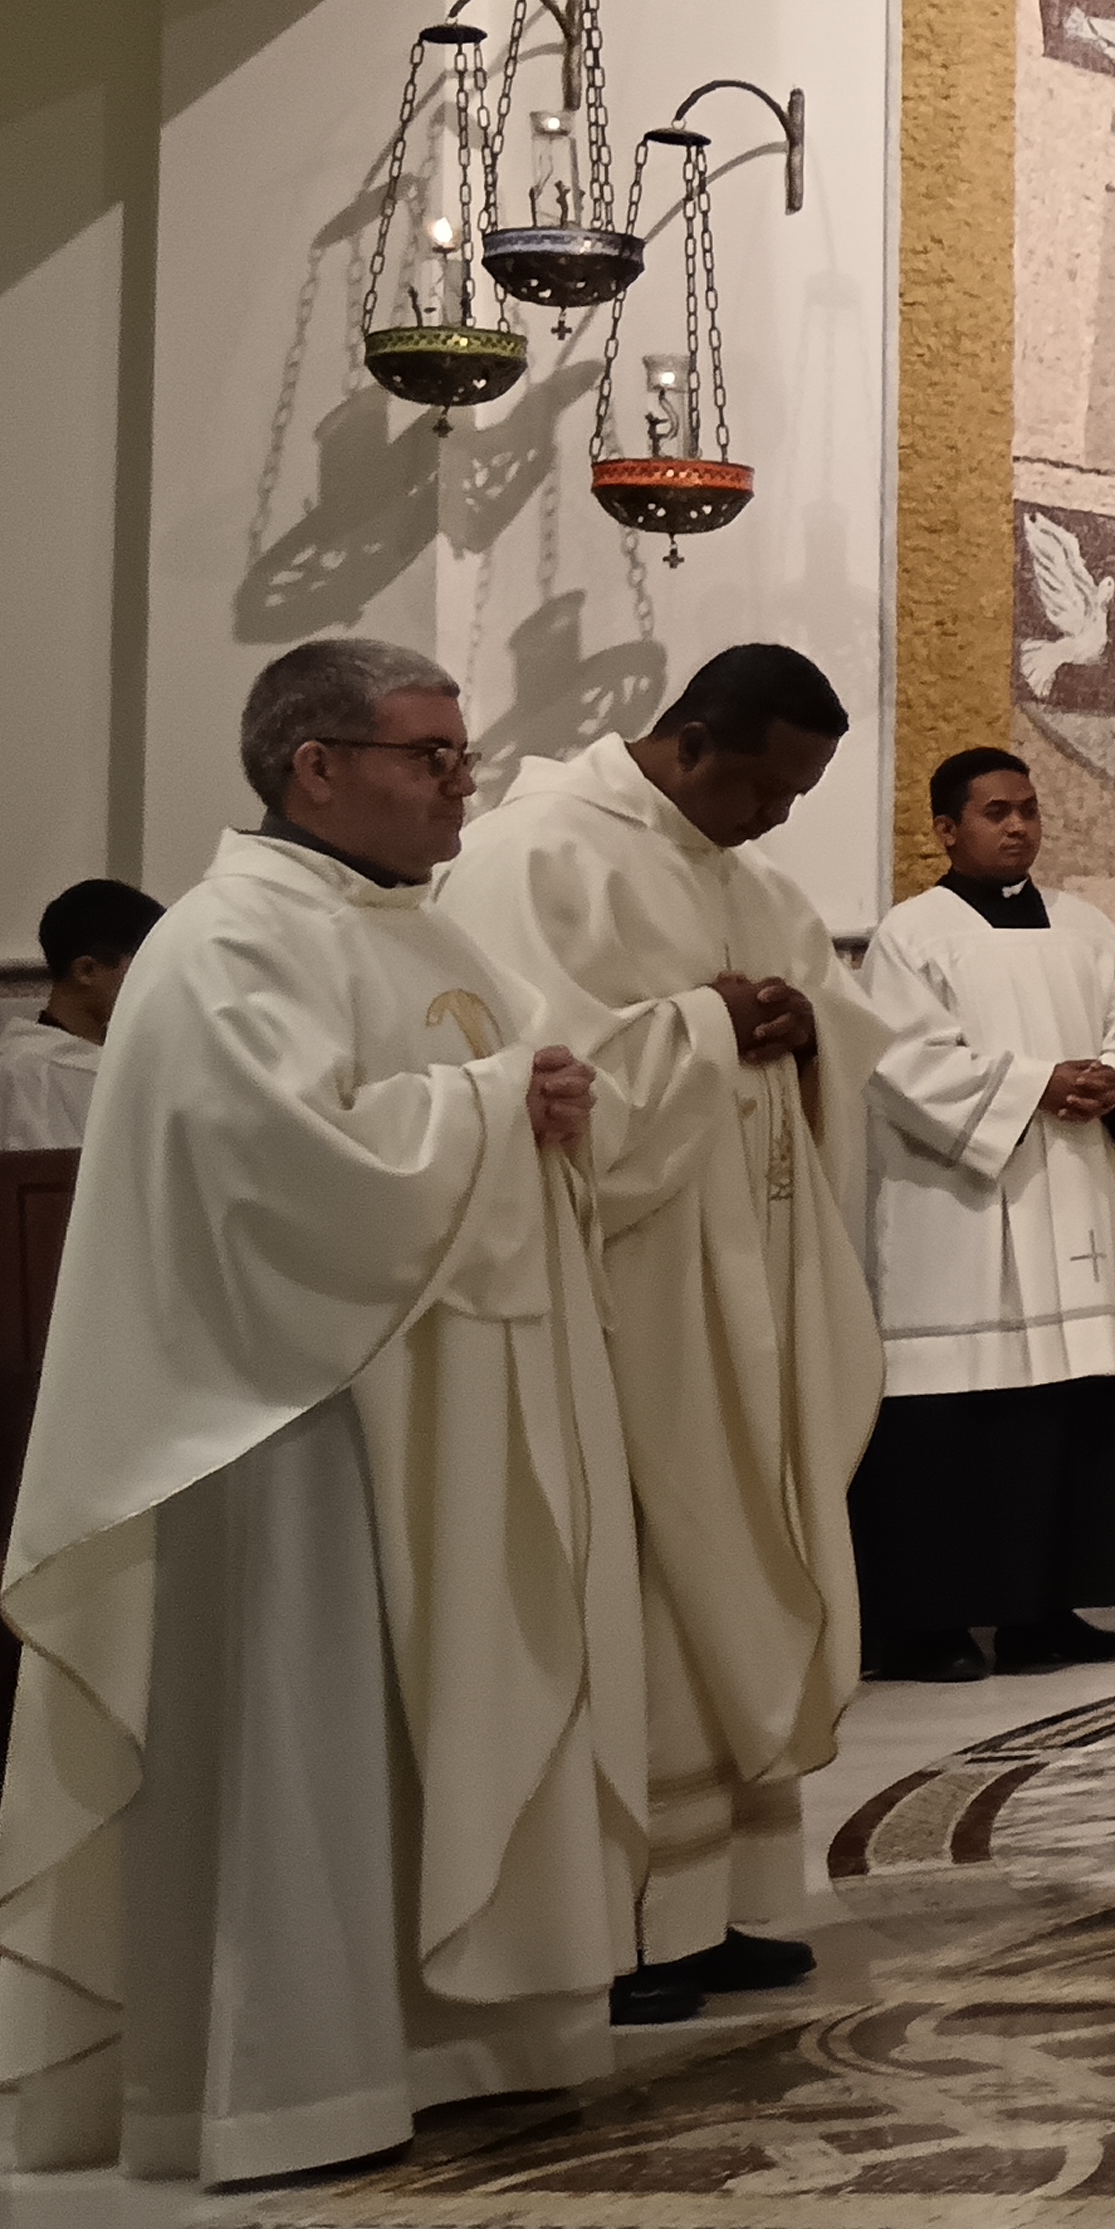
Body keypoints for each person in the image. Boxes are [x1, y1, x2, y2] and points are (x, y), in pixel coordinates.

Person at [0, 642, 638, 2181]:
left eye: (461, 752)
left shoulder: (422, 928)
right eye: (427, 754)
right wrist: (496, 1108)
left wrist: (538, 1110)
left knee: (421, 1725)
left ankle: (448, 2038)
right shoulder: (231, 939)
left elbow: (482, 1102)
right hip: (279, 1423)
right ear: (315, 768)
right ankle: (284, 2077)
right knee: (302, 1730)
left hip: (432, 1407)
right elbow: (272, 1171)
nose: (457, 779)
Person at [438, 647, 881, 2018]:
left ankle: (720, 1902)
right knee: (638, 1571)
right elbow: (536, 1078)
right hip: (628, 1290)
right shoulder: (535, 855)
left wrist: (809, 1028)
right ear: (691, 744)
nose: (780, 819)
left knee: (746, 1550)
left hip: (745, 1280)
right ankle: (623, 1922)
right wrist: (706, 1022)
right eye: (768, 786)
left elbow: (843, 1028)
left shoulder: (746, 876)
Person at [851, 751, 1115, 1686]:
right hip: (957, 1203)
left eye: (1029, 811)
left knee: (1063, 1405)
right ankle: (929, 1624)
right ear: (946, 830)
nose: (1018, 827)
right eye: (995, 812)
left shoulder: (1084, 928)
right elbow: (901, 1063)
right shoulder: (910, 936)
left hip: (1066, 1190)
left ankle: (1046, 1610)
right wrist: (1036, 1082)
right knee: (953, 1413)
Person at [0, 881, 161, 1150]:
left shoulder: (130, 1058)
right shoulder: (22, 1071)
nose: (155, 982)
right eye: (144, 965)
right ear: (86, 971)